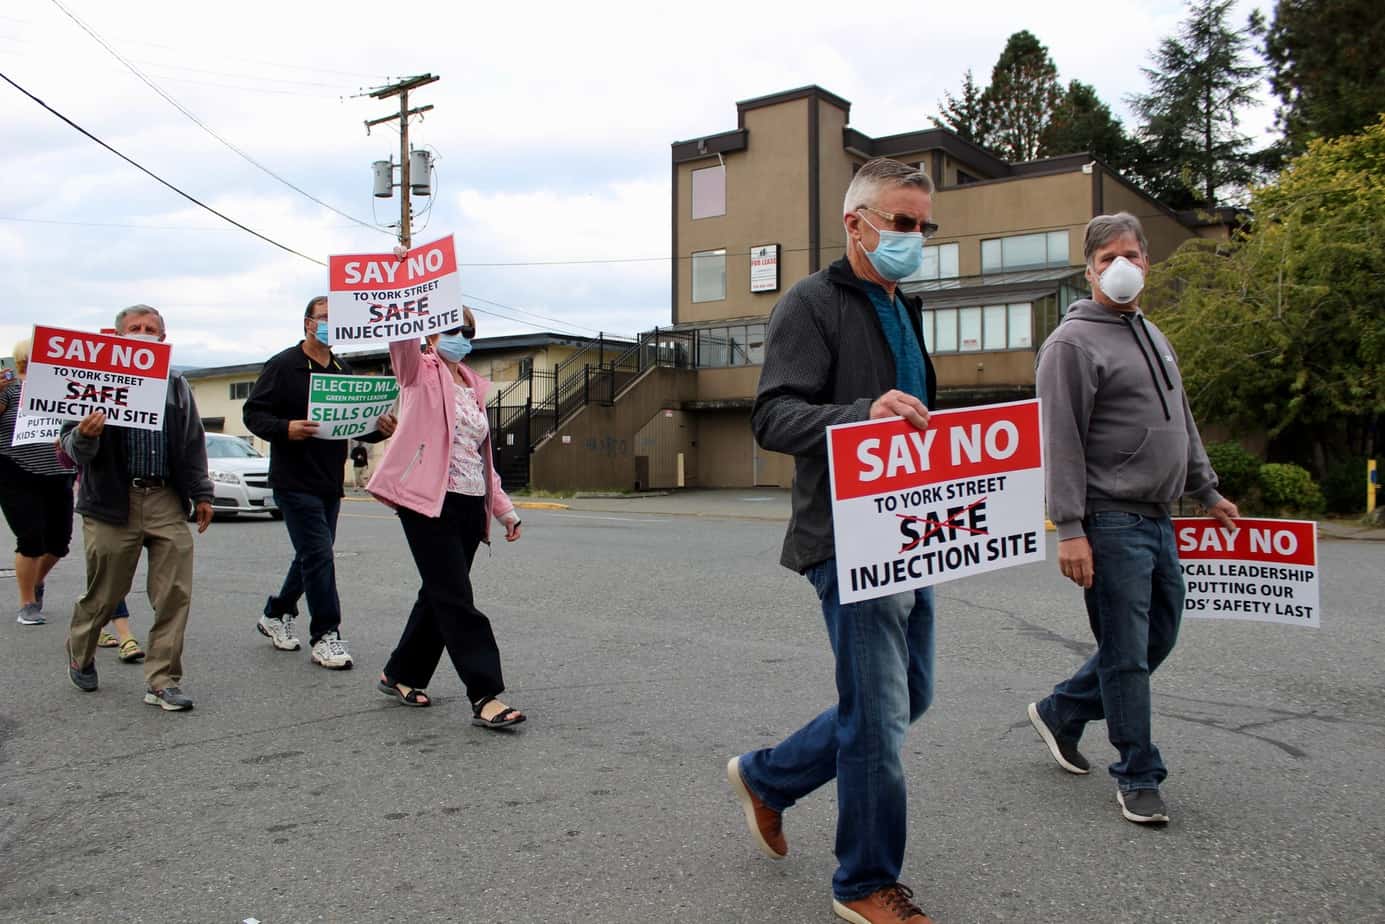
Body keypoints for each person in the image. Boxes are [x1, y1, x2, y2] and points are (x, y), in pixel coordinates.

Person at [728, 158, 940, 924]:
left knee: (905, 696)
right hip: (847, 539)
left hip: (912, 530)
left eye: (923, 226)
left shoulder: (903, 306)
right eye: (901, 222)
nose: (914, 238)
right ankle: (863, 882)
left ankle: (768, 778)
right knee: (879, 715)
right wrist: (859, 415)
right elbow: (773, 417)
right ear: (855, 223)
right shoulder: (809, 305)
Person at [1026, 212, 1238, 825]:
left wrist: (1207, 489)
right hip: (1109, 519)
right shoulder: (1071, 344)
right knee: (1125, 652)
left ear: (1147, 261)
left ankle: (1063, 711)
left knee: (1156, 638)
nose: (1123, 266)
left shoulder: (1152, 334)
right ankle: (1138, 773)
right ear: (1089, 269)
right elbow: (1059, 440)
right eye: (1107, 257)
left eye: (1133, 255)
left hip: (1157, 516)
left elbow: (1182, 421)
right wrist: (1069, 528)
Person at [367, 308, 525, 729]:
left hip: (469, 502)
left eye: (468, 331)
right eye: (452, 328)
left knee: (438, 593)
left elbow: (479, 456)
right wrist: (406, 296)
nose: (461, 337)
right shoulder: (419, 371)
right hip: (425, 501)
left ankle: (400, 672)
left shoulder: (472, 384)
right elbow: (401, 345)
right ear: (431, 331)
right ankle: (485, 693)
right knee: (455, 596)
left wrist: (504, 510)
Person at [62, 305, 215, 711]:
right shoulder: (91, 379)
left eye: (151, 329)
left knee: (174, 593)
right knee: (106, 591)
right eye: (135, 328)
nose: (143, 334)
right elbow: (69, 449)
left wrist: (202, 493)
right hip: (113, 501)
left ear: (162, 340)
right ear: (116, 337)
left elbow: (191, 441)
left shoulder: (176, 383)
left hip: (164, 498)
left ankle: (162, 679)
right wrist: (85, 435)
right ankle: (81, 649)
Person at [243, 295, 396, 669]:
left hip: (330, 481)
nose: (329, 324)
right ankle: (326, 634)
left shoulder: (342, 369)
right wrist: (285, 428)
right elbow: (253, 414)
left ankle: (277, 613)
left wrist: (380, 429)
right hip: (294, 481)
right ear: (308, 322)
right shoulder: (283, 365)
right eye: (324, 317)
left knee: (312, 554)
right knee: (319, 555)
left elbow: (353, 426)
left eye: (336, 319)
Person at [0, 339, 76, 627]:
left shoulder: (63, 388)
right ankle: (27, 602)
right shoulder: (10, 389)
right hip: (16, 471)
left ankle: (36, 581)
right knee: (30, 538)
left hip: (59, 472)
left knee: (59, 542)